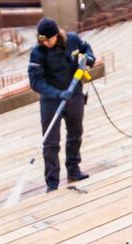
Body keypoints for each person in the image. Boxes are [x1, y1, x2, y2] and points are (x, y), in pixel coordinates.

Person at [28, 17, 96, 191]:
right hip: (51, 100)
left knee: (75, 133)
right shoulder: (37, 53)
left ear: (57, 35)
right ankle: (52, 182)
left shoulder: (72, 40)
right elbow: (36, 82)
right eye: (42, 40)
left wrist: (89, 57)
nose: (46, 43)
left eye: (49, 39)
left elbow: (86, 48)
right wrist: (58, 94)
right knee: (51, 143)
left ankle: (74, 170)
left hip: (74, 96)